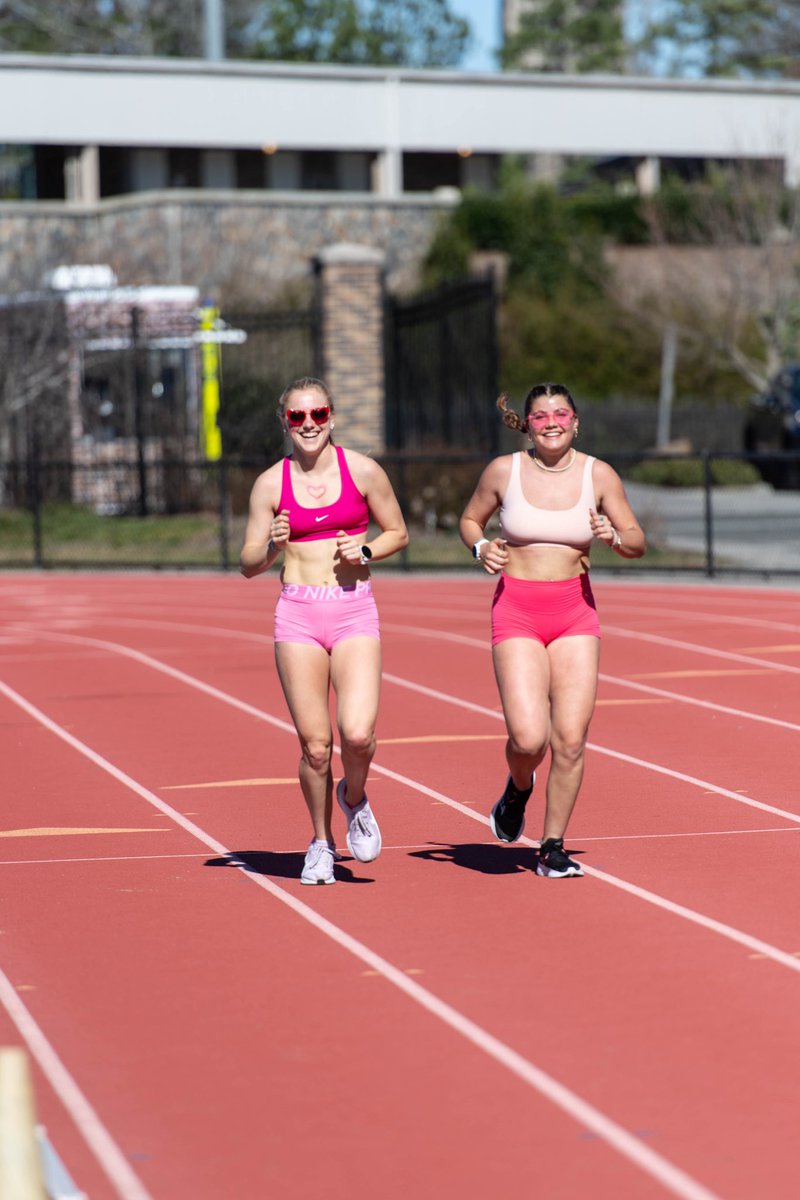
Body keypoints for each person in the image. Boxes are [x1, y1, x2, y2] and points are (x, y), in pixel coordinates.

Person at [459, 384, 646, 878]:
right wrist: (481, 549)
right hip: (517, 609)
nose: (552, 422)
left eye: (560, 413)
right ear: (528, 424)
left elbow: (636, 540)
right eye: (540, 416)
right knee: (528, 737)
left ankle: (552, 846)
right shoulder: (505, 471)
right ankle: (519, 788)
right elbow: (470, 521)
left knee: (570, 739)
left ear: (576, 421)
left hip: (575, 611)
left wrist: (614, 537)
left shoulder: (598, 474)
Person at [240, 377, 409, 885]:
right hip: (298, 613)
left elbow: (398, 532)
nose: (309, 424)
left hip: (354, 609)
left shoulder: (363, 470)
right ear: (284, 421)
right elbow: (248, 564)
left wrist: (365, 551)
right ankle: (320, 841)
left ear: (331, 416)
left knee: (357, 735)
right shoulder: (271, 484)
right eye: (297, 417)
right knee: (316, 746)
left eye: (318, 414)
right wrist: (271, 546)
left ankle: (354, 797)